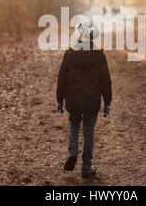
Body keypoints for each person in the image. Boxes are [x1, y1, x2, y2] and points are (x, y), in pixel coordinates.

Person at [56, 22, 112, 178]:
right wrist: (107, 102)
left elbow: (62, 79)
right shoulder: (99, 56)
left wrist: (59, 100)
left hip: (73, 99)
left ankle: (73, 152)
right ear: (93, 37)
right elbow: (106, 80)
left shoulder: (69, 54)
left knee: (74, 125)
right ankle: (87, 166)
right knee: (88, 132)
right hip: (91, 100)